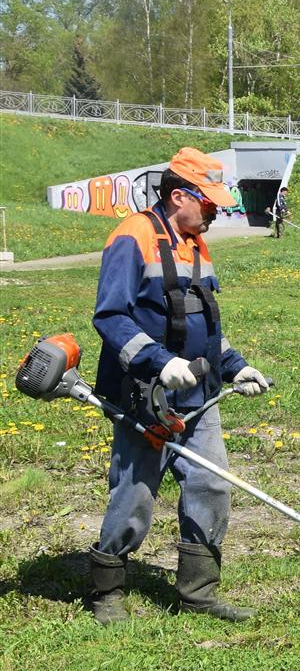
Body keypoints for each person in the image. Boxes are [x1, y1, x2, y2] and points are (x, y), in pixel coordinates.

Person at [89, 146, 270, 625]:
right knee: (135, 492)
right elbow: (109, 316)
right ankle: (107, 591)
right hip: (143, 393)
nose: (216, 210)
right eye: (207, 201)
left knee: (212, 483)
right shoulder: (132, 236)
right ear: (176, 196)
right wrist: (158, 362)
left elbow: (206, 325)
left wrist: (234, 366)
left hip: (198, 394)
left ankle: (198, 591)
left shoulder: (196, 243)